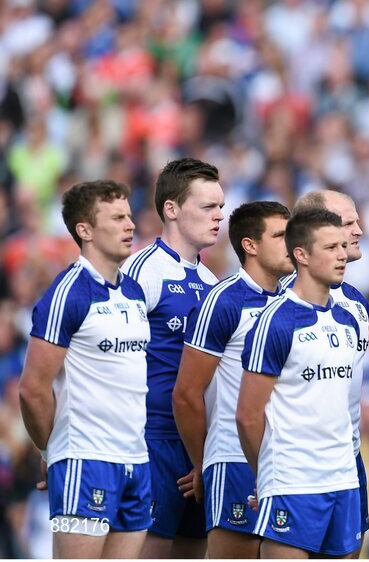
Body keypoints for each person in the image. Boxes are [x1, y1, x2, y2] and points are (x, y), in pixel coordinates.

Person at [19, 180, 151, 558]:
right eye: (117, 218)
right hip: (86, 458)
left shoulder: (134, 292)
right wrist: (52, 449)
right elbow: (32, 388)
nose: (130, 225)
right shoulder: (69, 292)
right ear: (85, 230)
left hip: (135, 459)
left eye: (129, 216)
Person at [237, 209, 363, 558]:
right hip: (293, 481)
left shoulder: (348, 320)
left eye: (342, 245)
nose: (342, 254)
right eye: (330, 247)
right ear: (302, 255)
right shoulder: (275, 321)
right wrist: (267, 476)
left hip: (343, 477)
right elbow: (248, 415)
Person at [171, 202, 293, 558]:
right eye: (281, 235)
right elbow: (186, 393)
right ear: (250, 245)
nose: (292, 242)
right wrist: (202, 462)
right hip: (235, 458)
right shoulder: (224, 300)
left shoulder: (294, 300)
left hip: (287, 459)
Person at [122, 157, 223, 558]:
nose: (219, 216)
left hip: (198, 444)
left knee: (194, 550)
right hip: (153, 440)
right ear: (172, 209)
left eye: (221, 206)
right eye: (208, 207)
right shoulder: (142, 271)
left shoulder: (213, 281)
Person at [290, 190, 369, 550]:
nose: (359, 231)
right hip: (295, 465)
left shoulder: (355, 301)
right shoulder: (281, 305)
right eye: (348, 222)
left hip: (348, 457)